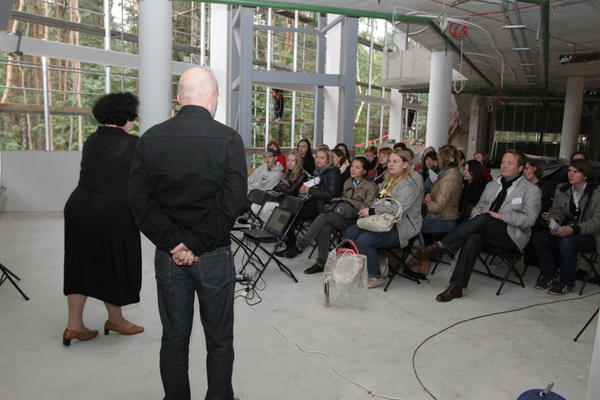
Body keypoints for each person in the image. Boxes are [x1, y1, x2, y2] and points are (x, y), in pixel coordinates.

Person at [129, 67, 246, 400]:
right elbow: (232, 202)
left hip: (169, 256)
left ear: (180, 98)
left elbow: (139, 201)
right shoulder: (228, 139)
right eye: (217, 97)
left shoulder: (150, 138)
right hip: (213, 254)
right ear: (211, 97)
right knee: (219, 339)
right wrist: (194, 243)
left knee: (174, 338)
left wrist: (174, 243)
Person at [63, 92, 143, 347]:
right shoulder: (133, 144)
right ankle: (116, 320)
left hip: (78, 207)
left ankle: (74, 325)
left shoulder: (92, 139)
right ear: (127, 115)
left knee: (79, 265)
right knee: (115, 264)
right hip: (112, 212)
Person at [411, 149, 541, 302]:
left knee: (485, 218)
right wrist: (479, 217)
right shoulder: (492, 185)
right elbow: (478, 208)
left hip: (510, 234)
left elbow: (530, 219)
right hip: (485, 230)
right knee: (473, 237)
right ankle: (456, 286)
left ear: (520, 168)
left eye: (510, 163)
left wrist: (503, 216)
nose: (504, 165)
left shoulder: (531, 191)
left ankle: (438, 246)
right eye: (503, 162)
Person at [281, 157, 378, 274]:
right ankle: (321, 263)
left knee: (325, 216)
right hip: (343, 213)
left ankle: (301, 246)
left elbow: (366, 207)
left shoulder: (371, 186)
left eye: (357, 167)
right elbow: (344, 201)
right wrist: (341, 200)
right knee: (324, 228)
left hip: (357, 219)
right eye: (352, 166)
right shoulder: (348, 181)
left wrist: (348, 201)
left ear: (364, 171)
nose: (353, 169)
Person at [345, 149, 423, 289]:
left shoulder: (408, 186)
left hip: (401, 225)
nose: (391, 164)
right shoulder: (389, 180)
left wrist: (371, 211)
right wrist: (372, 210)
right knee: (350, 233)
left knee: (364, 240)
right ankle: (378, 261)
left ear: (405, 164)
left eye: (395, 161)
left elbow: (396, 209)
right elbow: (380, 201)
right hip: (384, 219)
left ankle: (375, 275)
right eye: (390, 161)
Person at [532, 159, 600, 295]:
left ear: (585, 175)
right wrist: (554, 223)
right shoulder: (562, 189)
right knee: (539, 238)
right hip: (567, 229)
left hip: (590, 235)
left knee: (567, 242)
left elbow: (597, 222)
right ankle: (550, 275)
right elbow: (556, 210)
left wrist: (574, 230)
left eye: (576, 172)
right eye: (569, 171)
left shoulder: (597, 194)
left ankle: (567, 282)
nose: (571, 174)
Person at [409, 144, 463, 279]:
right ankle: (419, 256)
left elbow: (439, 206)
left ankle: (423, 259)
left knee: (412, 223)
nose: (436, 160)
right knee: (411, 220)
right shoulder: (448, 173)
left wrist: (420, 205)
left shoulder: (449, 177)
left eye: (438, 157)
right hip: (440, 215)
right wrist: (429, 196)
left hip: (444, 220)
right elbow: (439, 196)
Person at [276, 146, 342, 255]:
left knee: (289, 215)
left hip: (323, 207)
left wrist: (309, 190)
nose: (318, 160)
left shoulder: (332, 172)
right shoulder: (322, 172)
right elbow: (317, 189)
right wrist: (305, 189)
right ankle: (289, 244)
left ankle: (291, 246)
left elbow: (330, 195)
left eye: (322, 158)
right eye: (317, 157)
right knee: (286, 211)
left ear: (328, 160)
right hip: (315, 202)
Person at [250, 150, 309, 221]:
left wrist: (282, 185)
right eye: (288, 160)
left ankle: (274, 225)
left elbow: (292, 192)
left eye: (292, 160)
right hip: (280, 198)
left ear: (298, 162)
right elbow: (276, 187)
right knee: (254, 206)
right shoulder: (288, 172)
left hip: (290, 202)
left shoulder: (302, 175)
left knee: (265, 208)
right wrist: (282, 186)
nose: (289, 163)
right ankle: (269, 224)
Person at [457, 160, 488, 224]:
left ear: (475, 171)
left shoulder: (483, 184)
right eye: (464, 169)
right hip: (462, 212)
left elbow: (473, 199)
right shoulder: (465, 181)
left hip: (474, 214)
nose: (465, 172)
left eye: (468, 170)